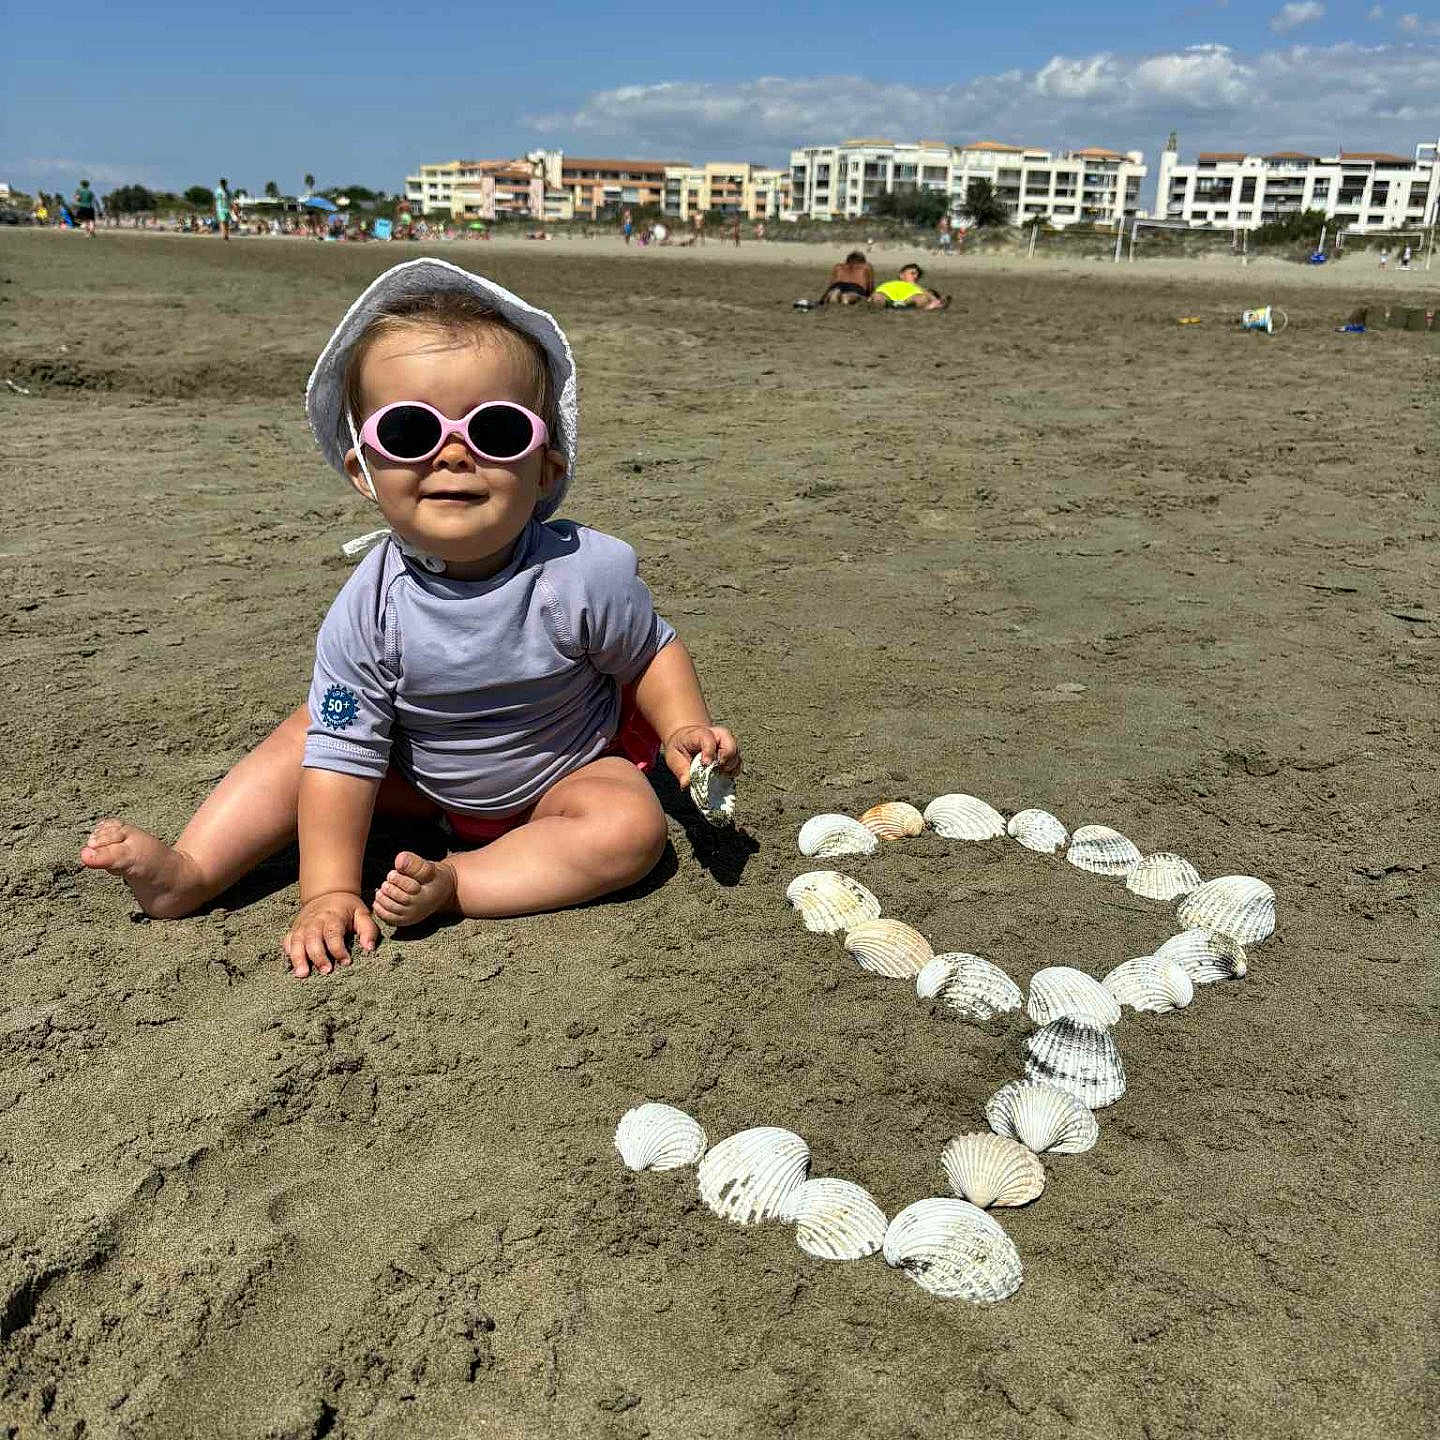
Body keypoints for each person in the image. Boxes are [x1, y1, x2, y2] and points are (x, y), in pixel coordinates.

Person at [80, 258, 742, 978]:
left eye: (494, 430)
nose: (452, 454)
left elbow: (647, 654)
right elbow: (343, 758)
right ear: (362, 470)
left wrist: (682, 728)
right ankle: (192, 871)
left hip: (563, 774)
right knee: (307, 738)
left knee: (633, 828)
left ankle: (462, 882)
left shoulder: (582, 573)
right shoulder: (367, 612)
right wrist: (328, 890)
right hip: (419, 783)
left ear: (548, 467)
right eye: (407, 432)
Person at [872, 262, 950, 311]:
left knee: (922, 298)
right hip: (887, 299)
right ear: (901, 275)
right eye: (912, 273)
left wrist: (936, 300)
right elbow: (876, 293)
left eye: (917, 275)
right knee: (878, 297)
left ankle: (931, 306)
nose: (915, 276)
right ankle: (929, 307)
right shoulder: (890, 284)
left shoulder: (918, 288)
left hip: (909, 301)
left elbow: (928, 295)